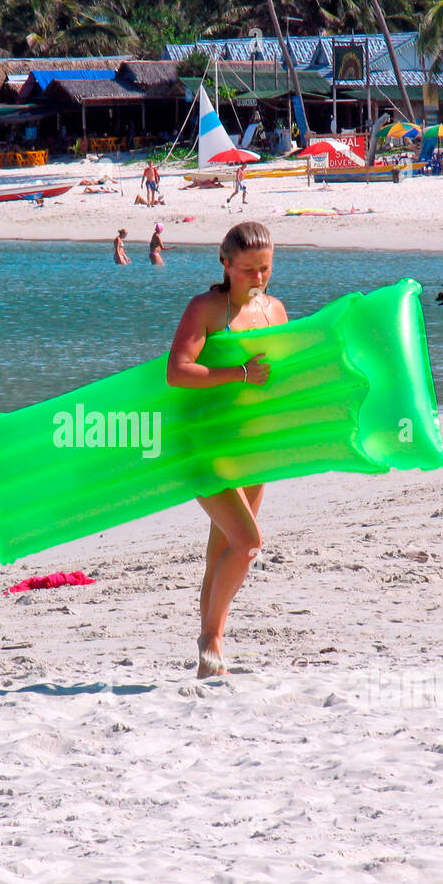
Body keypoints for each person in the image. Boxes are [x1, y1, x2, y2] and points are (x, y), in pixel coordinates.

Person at [165, 221, 288, 678]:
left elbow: (278, 377)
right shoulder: (206, 309)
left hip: (252, 444)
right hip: (202, 443)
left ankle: (208, 659)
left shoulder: (276, 311)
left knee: (223, 549)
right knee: (248, 542)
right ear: (226, 265)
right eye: (250, 270)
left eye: (266, 269)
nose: (259, 279)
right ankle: (211, 640)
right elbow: (178, 371)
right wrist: (238, 373)